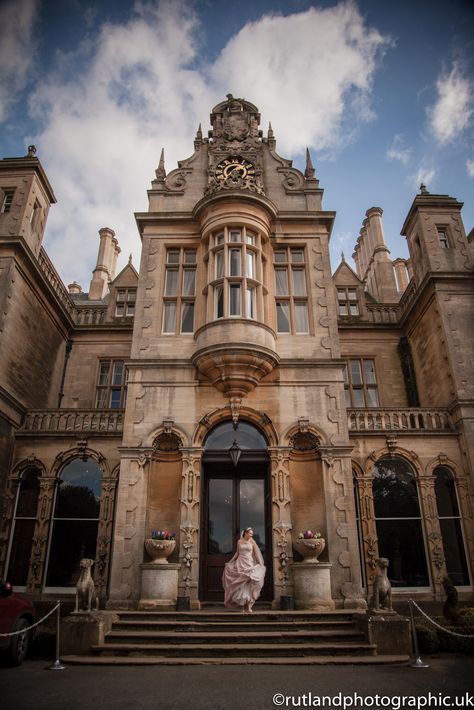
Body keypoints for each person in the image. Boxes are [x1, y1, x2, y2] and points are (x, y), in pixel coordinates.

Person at [222, 527, 266, 612]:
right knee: (240, 584)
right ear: (245, 533)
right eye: (250, 533)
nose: (251, 535)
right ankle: (241, 605)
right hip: (240, 563)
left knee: (248, 584)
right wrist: (230, 561)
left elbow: (256, 554)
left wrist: (260, 563)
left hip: (249, 563)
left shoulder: (252, 542)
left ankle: (248, 606)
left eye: (252, 534)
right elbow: (237, 553)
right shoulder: (239, 541)